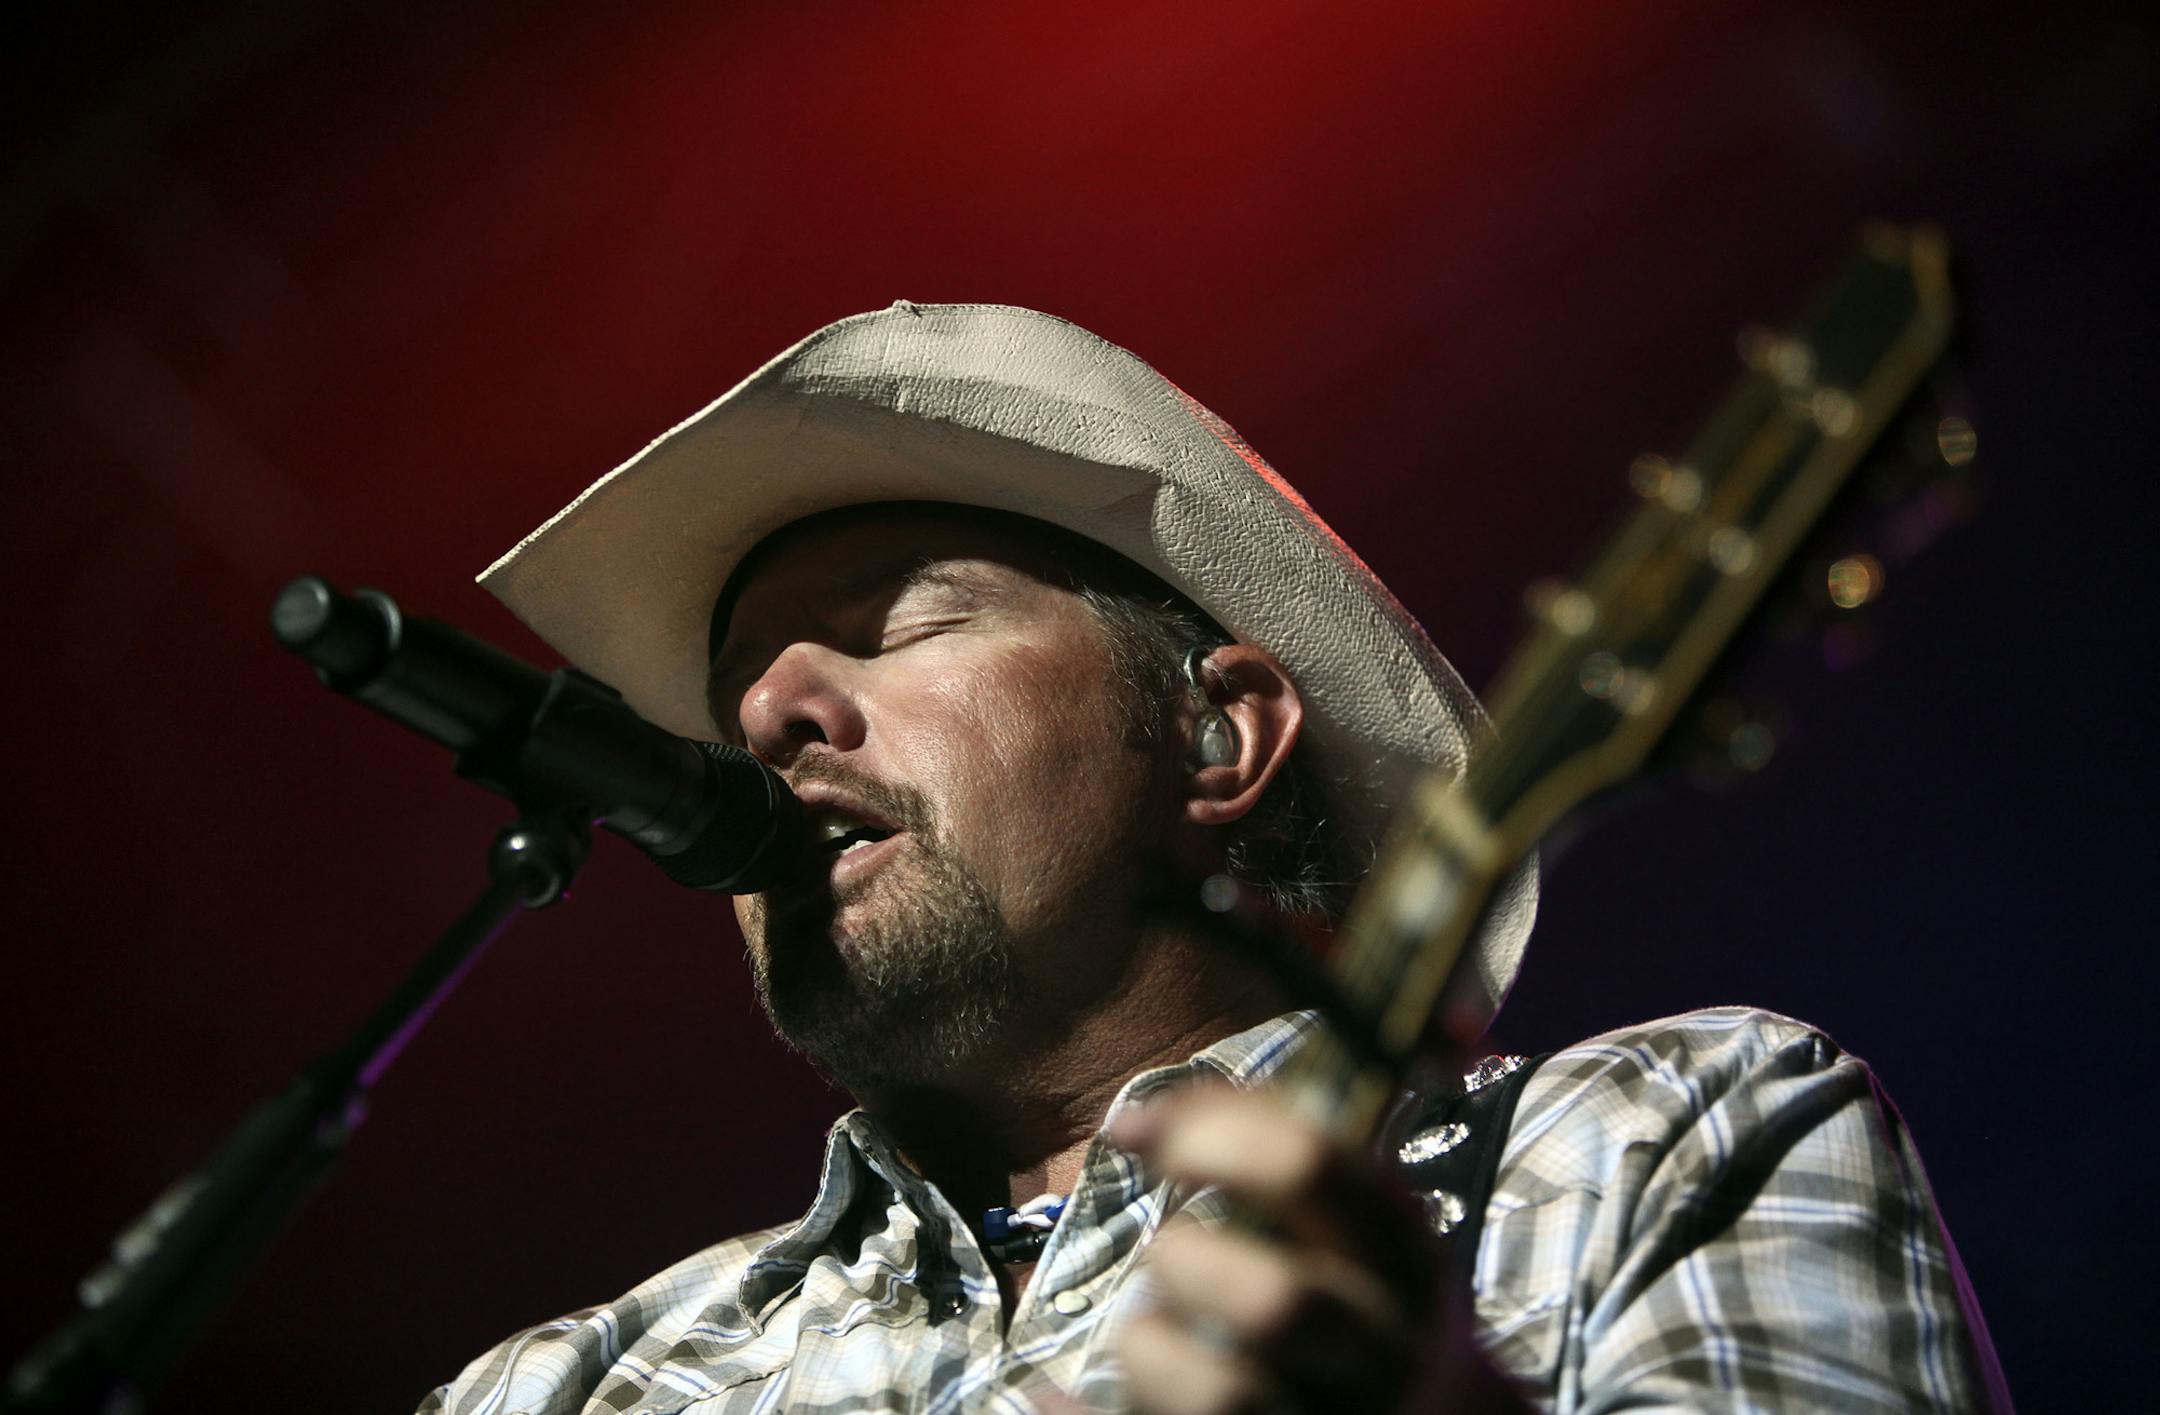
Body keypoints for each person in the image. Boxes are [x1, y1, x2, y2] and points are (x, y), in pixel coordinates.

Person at [419, 302, 2008, 1413]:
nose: (769, 713)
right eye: (738, 695)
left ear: (1218, 737)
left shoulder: (1653, 1137)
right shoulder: (569, 1387)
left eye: (899, 626)